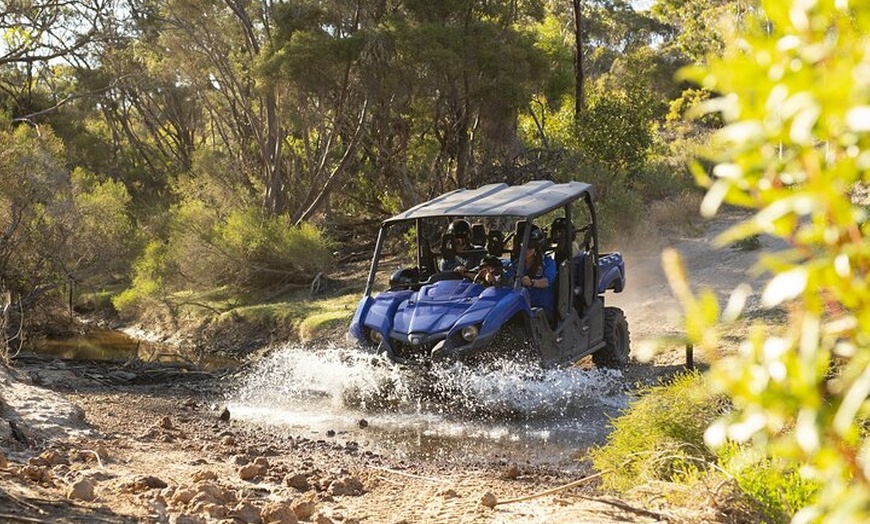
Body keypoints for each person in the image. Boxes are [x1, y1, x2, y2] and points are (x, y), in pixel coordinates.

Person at [506, 224, 556, 320]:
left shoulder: (548, 263)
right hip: (520, 307)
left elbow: (547, 281)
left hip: (541, 308)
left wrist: (532, 282)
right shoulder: (516, 264)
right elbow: (507, 278)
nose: (526, 250)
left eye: (530, 246)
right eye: (523, 246)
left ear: (537, 247)